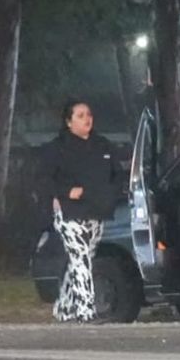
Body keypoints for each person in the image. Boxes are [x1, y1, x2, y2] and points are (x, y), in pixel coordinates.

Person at [38, 99, 122, 323]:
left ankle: (65, 308)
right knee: (80, 257)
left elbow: (116, 175)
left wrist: (109, 196)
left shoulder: (103, 145)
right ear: (69, 121)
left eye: (89, 115)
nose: (87, 119)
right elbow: (44, 179)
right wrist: (64, 193)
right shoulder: (57, 148)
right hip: (70, 212)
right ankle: (86, 310)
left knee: (83, 258)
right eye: (80, 115)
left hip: (96, 211)